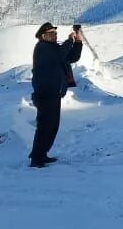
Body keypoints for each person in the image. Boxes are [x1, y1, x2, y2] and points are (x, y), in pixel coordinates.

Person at [29, 22, 82, 168]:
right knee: (45, 125)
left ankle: (42, 154)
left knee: (52, 126)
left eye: (55, 33)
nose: (54, 35)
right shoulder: (42, 48)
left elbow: (72, 57)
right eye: (51, 33)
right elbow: (60, 56)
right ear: (43, 36)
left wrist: (77, 42)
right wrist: (69, 41)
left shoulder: (53, 48)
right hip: (45, 93)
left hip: (54, 92)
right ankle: (37, 157)